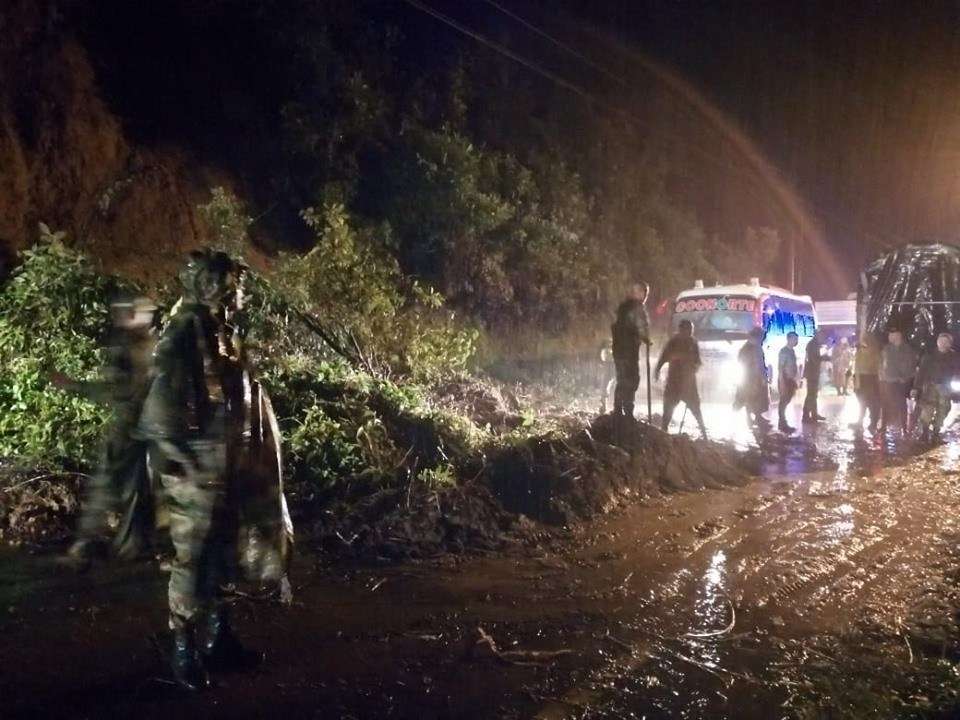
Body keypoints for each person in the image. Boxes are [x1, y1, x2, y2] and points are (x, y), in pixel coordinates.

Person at [136, 250, 261, 690]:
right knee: (190, 559)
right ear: (213, 285)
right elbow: (156, 414)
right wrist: (188, 464)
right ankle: (183, 650)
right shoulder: (184, 333)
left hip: (224, 465)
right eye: (234, 283)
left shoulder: (218, 330)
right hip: (197, 472)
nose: (241, 291)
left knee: (223, 552)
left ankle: (217, 637)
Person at [51, 294, 158, 569]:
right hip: (147, 427)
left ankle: (85, 546)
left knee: (107, 484)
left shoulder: (131, 347)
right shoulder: (150, 345)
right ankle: (131, 546)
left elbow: (117, 391)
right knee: (136, 488)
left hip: (129, 428)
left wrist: (74, 385)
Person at [655, 319, 707, 438]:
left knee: (696, 410)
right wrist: (657, 370)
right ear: (681, 330)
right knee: (668, 409)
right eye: (686, 330)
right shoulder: (673, 342)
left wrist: (694, 367)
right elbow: (663, 357)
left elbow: (698, 361)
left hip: (689, 383)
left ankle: (704, 433)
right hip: (674, 382)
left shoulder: (693, 343)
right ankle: (664, 432)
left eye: (689, 330)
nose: (688, 333)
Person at [611, 282, 651, 417]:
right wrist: (646, 339)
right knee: (632, 379)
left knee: (622, 379)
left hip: (618, 350)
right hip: (629, 350)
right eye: (643, 293)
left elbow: (616, 326)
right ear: (641, 293)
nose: (644, 296)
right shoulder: (637, 308)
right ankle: (628, 411)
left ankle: (618, 409)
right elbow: (641, 327)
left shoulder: (622, 308)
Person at [913, 332, 958, 443]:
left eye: (945, 341)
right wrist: (916, 387)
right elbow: (921, 373)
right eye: (940, 341)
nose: (942, 343)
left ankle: (936, 432)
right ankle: (924, 432)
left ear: (949, 344)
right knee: (927, 410)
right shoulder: (929, 356)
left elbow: (958, 373)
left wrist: (956, 391)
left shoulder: (955, 357)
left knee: (943, 410)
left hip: (945, 388)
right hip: (930, 387)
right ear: (937, 342)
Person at [878, 329, 918, 435]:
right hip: (888, 381)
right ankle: (883, 426)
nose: (890, 337)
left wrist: (905, 377)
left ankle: (904, 427)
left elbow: (911, 365)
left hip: (901, 382)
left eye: (892, 335)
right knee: (886, 404)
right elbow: (882, 364)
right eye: (890, 335)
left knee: (901, 404)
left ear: (898, 336)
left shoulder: (907, 350)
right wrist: (882, 376)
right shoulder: (886, 349)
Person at [734, 327, 769, 427]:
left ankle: (752, 418)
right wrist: (763, 377)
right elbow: (759, 364)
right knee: (755, 397)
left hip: (747, 377)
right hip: (753, 377)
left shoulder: (746, 347)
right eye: (761, 337)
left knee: (749, 397)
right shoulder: (755, 348)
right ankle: (756, 418)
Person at [851, 333, 882, 433]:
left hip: (870, 379)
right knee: (862, 402)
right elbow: (857, 367)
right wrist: (856, 381)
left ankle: (873, 423)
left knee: (872, 403)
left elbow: (876, 366)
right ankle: (860, 421)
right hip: (861, 379)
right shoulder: (860, 352)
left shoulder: (874, 352)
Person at [802, 330, 827, 424]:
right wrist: (825, 358)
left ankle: (814, 414)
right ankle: (806, 415)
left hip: (813, 372)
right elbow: (814, 359)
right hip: (812, 373)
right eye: (822, 336)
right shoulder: (813, 345)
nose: (823, 338)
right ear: (817, 335)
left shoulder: (814, 344)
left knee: (813, 394)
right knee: (811, 394)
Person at [778, 331, 800, 433]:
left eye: (796, 339)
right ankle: (782, 423)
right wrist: (782, 381)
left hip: (790, 379)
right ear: (789, 339)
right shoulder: (784, 351)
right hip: (785, 379)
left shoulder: (791, 351)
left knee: (786, 401)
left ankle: (782, 423)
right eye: (794, 339)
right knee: (783, 401)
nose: (796, 341)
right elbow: (781, 367)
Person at [598, 340, 617, 414]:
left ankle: (615, 408)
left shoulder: (609, 352)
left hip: (612, 369)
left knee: (609, 388)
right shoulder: (606, 351)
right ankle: (604, 407)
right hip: (609, 370)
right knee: (604, 388)